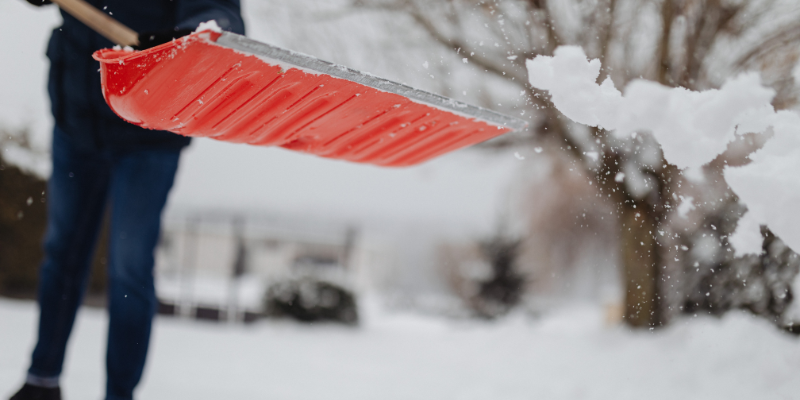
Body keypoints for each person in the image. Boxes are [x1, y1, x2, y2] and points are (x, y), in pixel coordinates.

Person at [9, 1, 245, 399]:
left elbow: (220, 12)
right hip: (77, 118)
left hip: (148, 131)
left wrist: (188, 38)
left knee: (128, 268)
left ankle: (119, 394)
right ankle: (42, 381)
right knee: (61, 256)